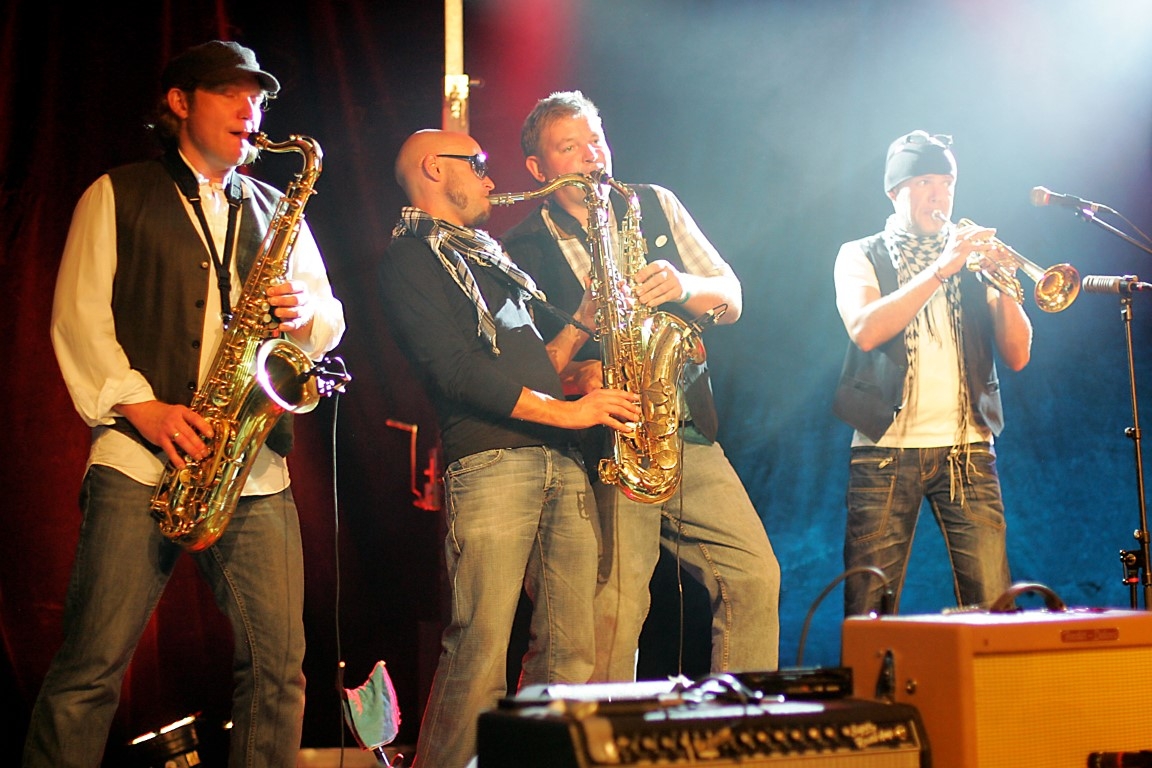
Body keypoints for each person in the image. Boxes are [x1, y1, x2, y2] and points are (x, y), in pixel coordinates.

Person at [26, 40, 346, 768]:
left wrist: (302, 314)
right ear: (179, 102)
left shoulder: (277, 207)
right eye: (231, 93)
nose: (250, 110)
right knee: (91, 670)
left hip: (249, 467)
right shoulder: (116, 193)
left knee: (279, 671)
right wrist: (142, 407)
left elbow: (328, 316)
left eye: (257, 98)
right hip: (141, 457)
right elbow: (79, 319)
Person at [378, 128, 641, 768]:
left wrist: (584, 326)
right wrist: (570, 412)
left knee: (570, 653)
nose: (491, 180)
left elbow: (532, 368)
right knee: (480, 649)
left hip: (558, 457)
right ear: (435, 168)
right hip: (492, 464)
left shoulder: (487, 258)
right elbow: (457, 372)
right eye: (478, 164)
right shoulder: (410, 257)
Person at [501, 90, 781, 682]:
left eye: (595, 140)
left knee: (755, 574)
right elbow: (522, 373)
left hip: (683, 427)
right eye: (569, 147)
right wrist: (578, 361)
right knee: (619, 604)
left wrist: (684, 284)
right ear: (538, 169)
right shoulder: (520, 248)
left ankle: (737, 725)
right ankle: (604, 728)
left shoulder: (653, 203)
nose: (591, 156)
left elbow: (732, 297)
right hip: (608, 441)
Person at [832, 130, 1032, 617]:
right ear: (894, 191)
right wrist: (942, 268)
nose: (939, 195)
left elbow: (1018, 355)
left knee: (995, 605)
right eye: (924, 182)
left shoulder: (973, 262)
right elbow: (865, 330)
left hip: (968, 449)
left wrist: (1005, 284)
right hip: (884, 451)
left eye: (946, 183)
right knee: (869, 609)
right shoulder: (860, 253)